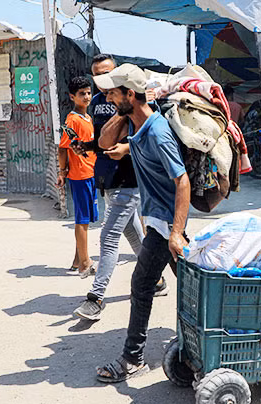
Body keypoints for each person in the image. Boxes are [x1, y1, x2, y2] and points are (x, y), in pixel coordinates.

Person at [92, 64, 190, 382]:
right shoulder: (139, 127)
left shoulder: (159, 132)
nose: (106, 96)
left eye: (113, 92)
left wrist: (175, 232)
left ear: (130, 95)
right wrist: (128, 143)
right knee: (193, 286)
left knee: (141, 285)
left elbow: (183, 182)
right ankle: (205, 342)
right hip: (159, 222)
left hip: (165, 225)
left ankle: (133, 358)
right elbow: (106, 143)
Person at [73, 54, 167, 322]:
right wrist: (89, 147)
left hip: (129, 179)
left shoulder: (133, 102)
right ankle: (157, 281)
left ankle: (96, 297)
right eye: (98, 76)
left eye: (107, 75)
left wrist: (128, 148)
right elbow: (103, 140)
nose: (103, 85)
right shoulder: (100, 103)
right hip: (107, 178)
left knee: (108, 237)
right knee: (135, 237)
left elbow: (150, 132)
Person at [58, 76, 98, 278]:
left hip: (90, 172)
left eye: (89, 92)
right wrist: (62, 173)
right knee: (81, 220)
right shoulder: (72, 120)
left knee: (86, 220)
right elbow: (63, 148)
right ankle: (84, 264)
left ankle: (77, 260)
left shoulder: (88, 118)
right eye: (82, 94)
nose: (87, 96)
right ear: (72, 96)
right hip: (79, 175)